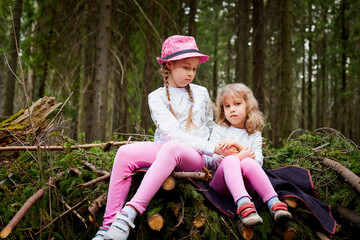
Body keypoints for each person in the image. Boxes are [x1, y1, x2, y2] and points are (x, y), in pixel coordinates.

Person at [92, 35, 236, 240]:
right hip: (167, 149)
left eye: (194, 69)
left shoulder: (201, 93)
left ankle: (129, 215)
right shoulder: (156, 97)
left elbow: (211, 126)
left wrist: (218, 148)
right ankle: (108, 227)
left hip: (196, 156)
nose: (191, 73)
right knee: (125, 152)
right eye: (186, 67)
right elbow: (172, 133)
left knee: (174, 148)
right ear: (169, 64)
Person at [206, 83, 292, 226]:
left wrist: (239, 147)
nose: (232, 109)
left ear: (248, 106)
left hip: (247, 184)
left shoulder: (254, 135)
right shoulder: (220, 130)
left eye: (237, 103)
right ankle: (244, 205)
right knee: (231, 161)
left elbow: (258, 163)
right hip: (221, 183)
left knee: (249, 162)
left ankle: (274, 203)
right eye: (227, 106)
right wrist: (238, 156)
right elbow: (211, 160)